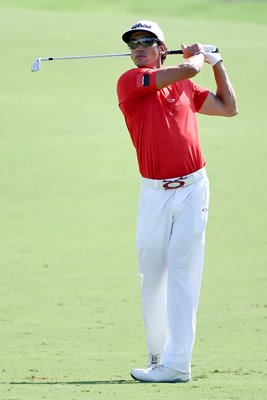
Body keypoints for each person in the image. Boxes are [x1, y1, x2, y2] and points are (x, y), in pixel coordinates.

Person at [116, 20, 237, 383]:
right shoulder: (130, 80)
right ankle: (158, 352)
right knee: (152, 276)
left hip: (192, 189)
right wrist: (199, 56)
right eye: (133, 43)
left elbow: (227, 108)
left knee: (184, 276)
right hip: (154, 194)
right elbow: (185, 67)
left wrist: (217, 65)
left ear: (161, 47)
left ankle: (177, 364)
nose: (138, 47)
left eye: (147, 41)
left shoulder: (184, 85)